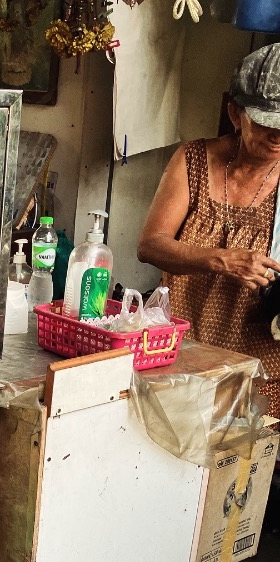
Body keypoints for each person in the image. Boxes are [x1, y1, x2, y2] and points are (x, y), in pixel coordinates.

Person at [138, 43, 280, 416]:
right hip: (182, 353)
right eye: (267, 122)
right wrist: (221, 260)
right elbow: (151, 245)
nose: (278, 135)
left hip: (260, 367)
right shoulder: (194, 160)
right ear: (236, 113)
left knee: (242, 467)